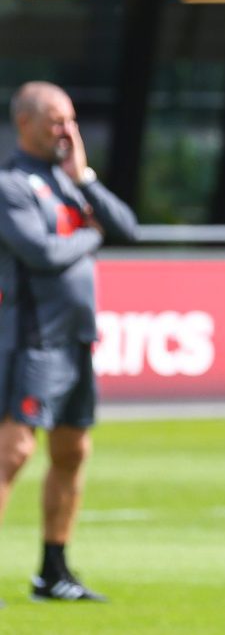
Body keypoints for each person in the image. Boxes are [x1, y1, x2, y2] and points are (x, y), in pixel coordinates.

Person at [0, 81, 138, 603]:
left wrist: (84, 178)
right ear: (25, 123)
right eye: (56, 120)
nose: (67, 130)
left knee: (72, 450)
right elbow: (41, 254)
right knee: (12, 453)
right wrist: (91, 235)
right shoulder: (11, 184)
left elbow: (129, 228)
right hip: (32, 340)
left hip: (77, 339)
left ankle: (52, 572)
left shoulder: (69, 181)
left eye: (72, 120)